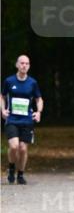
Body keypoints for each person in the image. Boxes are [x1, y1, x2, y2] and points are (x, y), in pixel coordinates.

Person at [1, 54, 43, 185]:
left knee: (23, 148)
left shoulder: (32, 83)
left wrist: (39, 112)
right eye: (22, 63)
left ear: (29, 66)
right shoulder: (9, 81)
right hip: (12, 119)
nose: (24, 65)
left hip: (26, 121)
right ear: (17, 65)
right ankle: (12, 168)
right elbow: (1, 96)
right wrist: (2, 110)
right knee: (14, 147)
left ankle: (20, 174)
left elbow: (39, 99)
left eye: (27, 63)